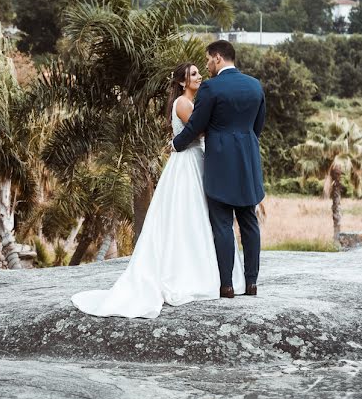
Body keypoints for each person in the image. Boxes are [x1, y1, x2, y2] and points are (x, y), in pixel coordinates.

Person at [71, 61, 245, 319]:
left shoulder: (190, 102)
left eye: (198, 72)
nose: (199, 77)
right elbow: (201, 131)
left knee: (198, 217)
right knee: (192, 216)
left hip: (194, 160)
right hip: (189, 165)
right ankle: (193, 274)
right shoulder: (184, 104)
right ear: (183, 82)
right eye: (193, 74)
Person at [172, 39, 266, 298]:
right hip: (248, 162)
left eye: (207, 60)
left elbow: (196, 125)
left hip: (220, 164)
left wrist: (176, 143)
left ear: (217, 58)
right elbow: (257, 127)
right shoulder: (255, 86)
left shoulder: (211, 88)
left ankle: (226, 285)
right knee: (249, 221)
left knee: (223, 223)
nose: (206, 65)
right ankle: (252, 283)